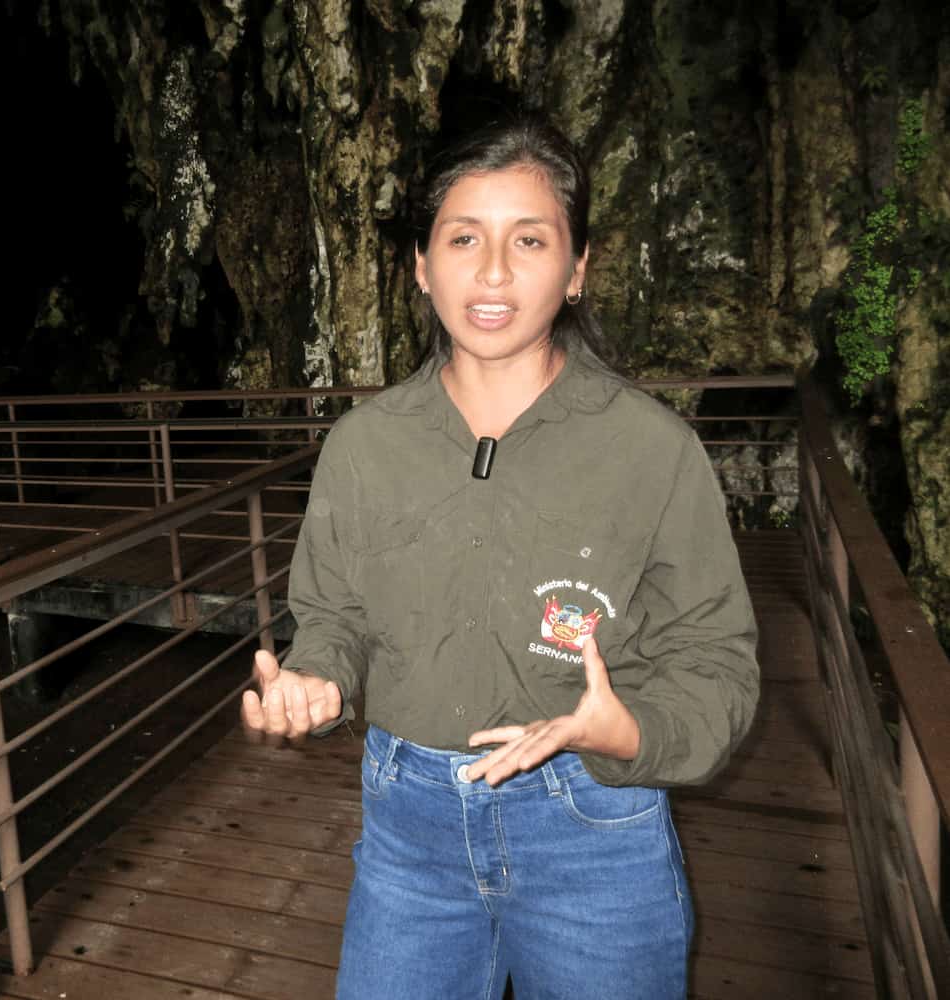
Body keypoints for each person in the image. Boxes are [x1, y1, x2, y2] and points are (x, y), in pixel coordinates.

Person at [239, 115, 760, 1000]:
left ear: (579, 266)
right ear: (420, 264)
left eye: (529, 240)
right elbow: (334, 617)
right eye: (462, 238)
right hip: (408, 838)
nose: (491, 272)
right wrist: (317, 680)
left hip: (591, 832)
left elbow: (717, 666)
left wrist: (626, 732)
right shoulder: (365, 445)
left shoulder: (651, 449)